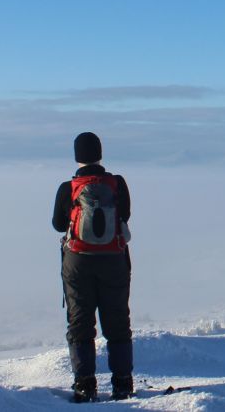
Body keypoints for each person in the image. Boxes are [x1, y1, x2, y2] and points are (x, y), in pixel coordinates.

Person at [52, 132, 135, 402]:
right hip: (114, 260)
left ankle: (84, 384)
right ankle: (122, 383)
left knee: (80, 321)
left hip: (77, 261)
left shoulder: (68, 187)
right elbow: (126, 214)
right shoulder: (117, 183)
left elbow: (56, 224)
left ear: (77, 156)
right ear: (100, 153)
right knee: (117, 320)